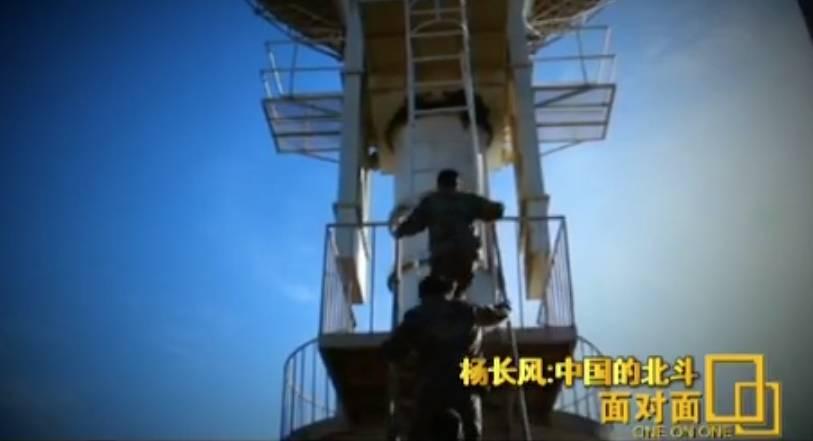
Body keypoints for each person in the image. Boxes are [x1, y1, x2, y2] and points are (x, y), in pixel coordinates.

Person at [381, 276, 511, 441]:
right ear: (449, 292)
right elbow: (497, 315)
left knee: (421, 432)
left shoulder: (416, 316)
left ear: (423, 295)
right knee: (472, 433)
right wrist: (505, 307)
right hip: (467, 383)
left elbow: (394, 350)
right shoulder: (468, 310)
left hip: (431, 384)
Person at [392, 169, 504, 299]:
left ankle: (443, 303)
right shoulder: (468, 200)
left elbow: (415, 224)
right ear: (457, 183)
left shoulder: (431, 202)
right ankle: (458, 298)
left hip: (442, 253)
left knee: (439, 287)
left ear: (439, 184)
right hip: (466, 252)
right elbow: (495, 211)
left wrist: (399, 230)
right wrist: (499, 207)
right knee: (462, 283)